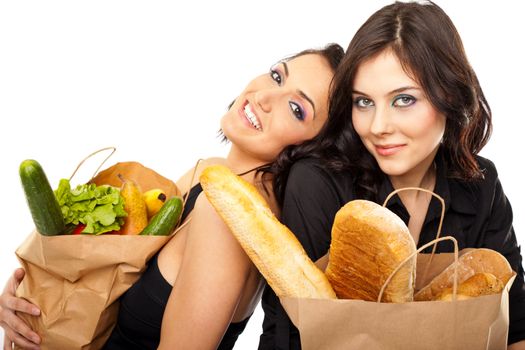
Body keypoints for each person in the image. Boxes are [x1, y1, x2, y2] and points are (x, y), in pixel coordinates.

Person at [0, 43, 344, 350]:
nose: (265, 97)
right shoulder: (210, 173)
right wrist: (30, 301)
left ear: (314, 148)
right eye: (277, 76)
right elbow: (115, 278)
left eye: (297, 109)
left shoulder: (227, 216)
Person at [258, 1, 525, 349]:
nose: (379, 127)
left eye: (403, 100)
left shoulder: (481, 184)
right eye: (363, 102)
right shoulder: (318, 183)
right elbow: (289, 334)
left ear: (450, 95)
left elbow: (516, 324)